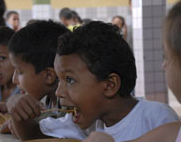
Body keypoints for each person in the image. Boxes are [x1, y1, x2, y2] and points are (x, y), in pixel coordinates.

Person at [45, 21, 178, 142]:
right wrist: (24, 115)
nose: (58, 92)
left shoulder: (157, 117)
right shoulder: (86, 122)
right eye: (59, 80)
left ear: (109, 85)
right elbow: (35, 132)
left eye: (69, 80)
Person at [83, 0, 181, 142]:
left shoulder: (160, 119)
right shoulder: (172, 131)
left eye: (167, 56)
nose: (163, 65)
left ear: (110, 85)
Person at [0, 20, 69, 137]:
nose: (14, 79)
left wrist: (16, 116)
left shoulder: (69, 106)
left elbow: (30, 135)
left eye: (19, 72)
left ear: (49, 76)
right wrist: (14, 108)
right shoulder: (49, 99)